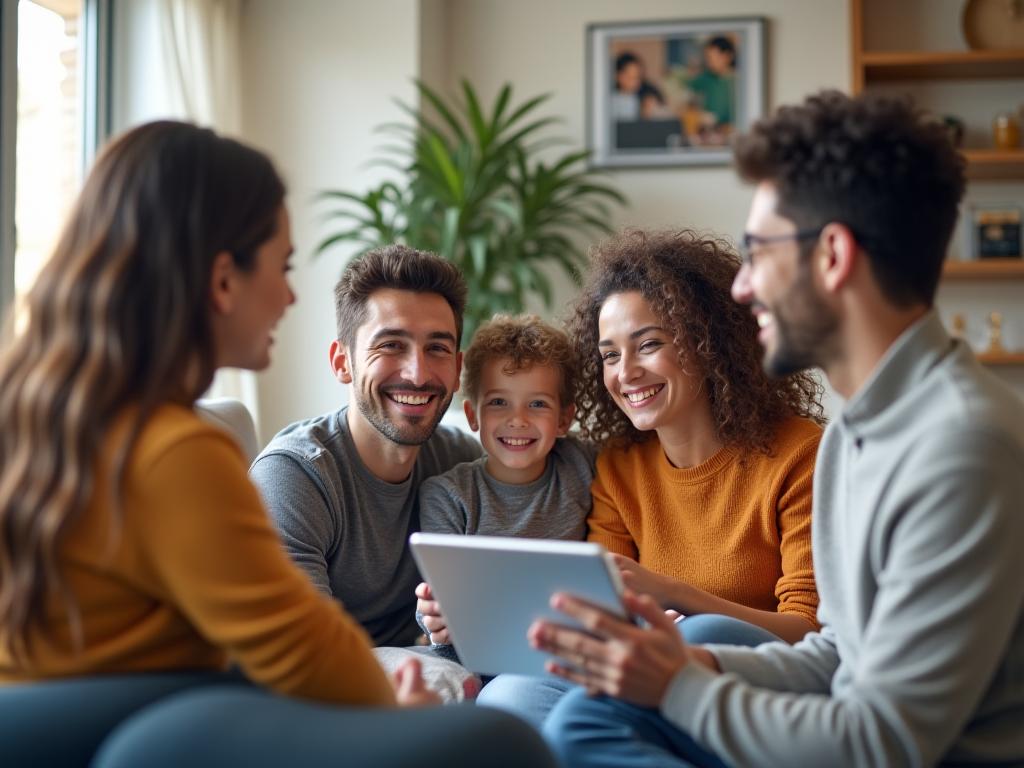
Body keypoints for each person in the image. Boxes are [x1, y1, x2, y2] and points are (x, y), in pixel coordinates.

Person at [0, 121, 555, 766]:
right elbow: (292, 642)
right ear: (223, 280)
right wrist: (386, 706)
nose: (290, 295)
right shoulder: (178, 448)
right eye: (283, 267)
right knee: (500, 738)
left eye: (437, 349)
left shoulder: (75, 408)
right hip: (126, 724)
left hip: (103, 708)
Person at [537, 90, 1024, 767]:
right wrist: (692, 658)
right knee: (586, 721)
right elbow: (837, 653)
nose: (741, 288)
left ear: (831, 256)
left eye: (760, 251)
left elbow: (882, 742)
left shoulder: (961, 446)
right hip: (846, 726)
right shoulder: (861, 429)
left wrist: (679, 685)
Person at [476, 229, 825, 728]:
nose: (626, 372)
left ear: (708, 342)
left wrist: (674, 594)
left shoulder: (798, 454)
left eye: (649, 345)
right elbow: (606, 612)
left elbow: (809, 633)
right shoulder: (619, 467)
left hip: (748, 676)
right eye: (611, 355)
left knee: (701, 634)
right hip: (642, 665)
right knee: (511, 695)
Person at [250, 245, 481, 651]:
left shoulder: (462, 463)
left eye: (437, 348)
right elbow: (306, 651)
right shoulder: (294, 477)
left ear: (458, 368)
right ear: (342, 362)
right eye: (391, 345)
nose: (418, 372)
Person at [415, 315, 596, 656]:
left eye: (538, 404)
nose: (518, 420)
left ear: (564, 420)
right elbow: (439, 594)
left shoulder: (581, 464)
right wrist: (433, 619)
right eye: (499, 402)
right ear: (472, 416)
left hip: (566, 645)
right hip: (479, 648)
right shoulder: (448, 496)